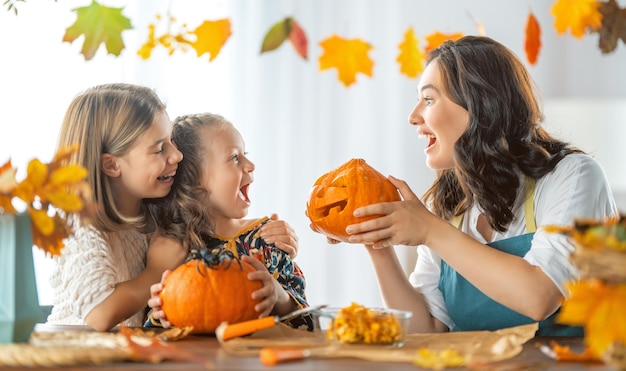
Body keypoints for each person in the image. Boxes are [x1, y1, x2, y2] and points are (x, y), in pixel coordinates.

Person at [343, 36, 619, 336]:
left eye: (429, 99)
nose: (413, 117)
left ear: (480, 106)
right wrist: (378, 245)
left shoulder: (573, 177)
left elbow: (539, 295)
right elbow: (426, 329)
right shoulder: (448, 204)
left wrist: (430, 231)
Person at [46, 84, 300, 331]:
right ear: (112, 165)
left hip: (128, 352)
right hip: (72, 352)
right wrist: (156, 270)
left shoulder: (155, 216)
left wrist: (278, 234)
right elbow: (100, 315)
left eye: (171, 141)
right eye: (160, 148)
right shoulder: (76, 221)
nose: (177, 155)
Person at [145, 113, 314, 331]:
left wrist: (279, 297)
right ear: (194, 181)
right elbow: (153, 330)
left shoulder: (267, 238)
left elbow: (307, 324)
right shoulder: (171, 248)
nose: (251, 164)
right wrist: (161, 315)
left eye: (246, 154)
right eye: (234, 157)